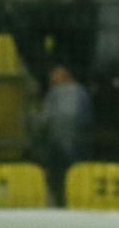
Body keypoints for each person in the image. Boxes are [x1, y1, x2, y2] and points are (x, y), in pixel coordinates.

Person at [35, 63, 92, 205]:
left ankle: (62, 199)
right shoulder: (81, 91)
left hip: (60, 143)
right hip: (75, 142)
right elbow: (86, 118)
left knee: (59, 172)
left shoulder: (56, 93)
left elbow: (44, 120)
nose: (53, 81)